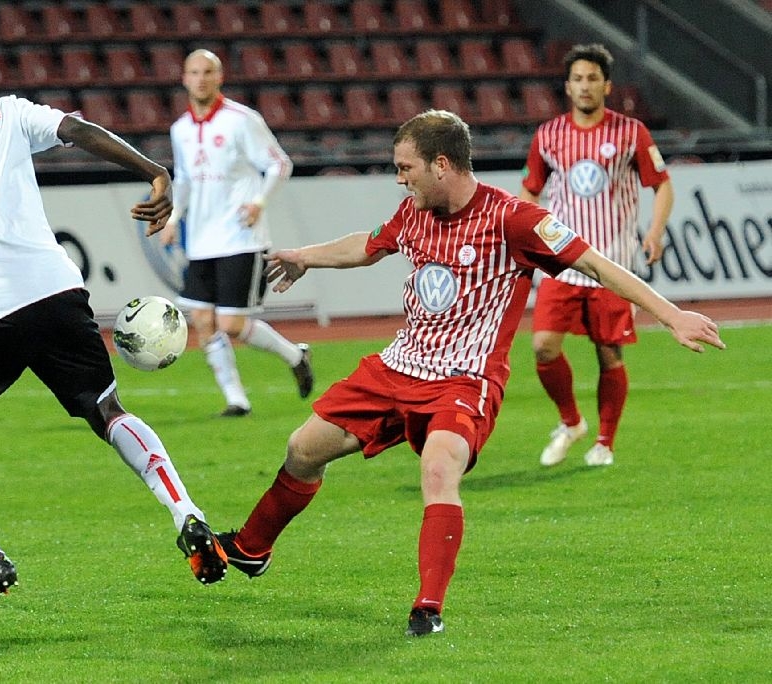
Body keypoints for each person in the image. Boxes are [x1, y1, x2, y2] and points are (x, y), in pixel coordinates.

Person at [215, 109, 724, 637]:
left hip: (466, 378)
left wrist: (671, 314)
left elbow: (595, 263)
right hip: (400, 366)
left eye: (405, 167)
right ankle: (251, 548)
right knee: (303, 448)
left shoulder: (514, 220)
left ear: (441, 164)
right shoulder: (414, 212)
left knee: (439, 468)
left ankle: (427, 608)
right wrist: (306, 257)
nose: (399, 179)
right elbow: (366, 246)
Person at [0, 44, 227, 624]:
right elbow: (78, 130)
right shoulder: (9, 110)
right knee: (108, 410)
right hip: (55, 290)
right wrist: (154, 171)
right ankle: (186, 512)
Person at [520, 43, 675, 468]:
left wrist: (656, 231)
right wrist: (529, 240)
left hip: (613, 267)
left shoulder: (631, 133)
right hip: (562, 264)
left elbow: (662, 183)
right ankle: (571, 422)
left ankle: (605, 442)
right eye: (577, 79)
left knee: (609, 354)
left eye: (592, 78)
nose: (584, 86)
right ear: (567, 87)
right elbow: (530, 191)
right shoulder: (548, 135)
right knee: (543, 347)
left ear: (607, 85)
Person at [159, 49, 312, 417]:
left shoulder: (242, 120)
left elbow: (279, 164)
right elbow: (184, 179)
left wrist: (259, 201)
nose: (201, 79)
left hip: (240, 237)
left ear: (219, 77)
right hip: (200, 240)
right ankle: (236, 399)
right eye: (194, 72)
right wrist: (174, 218)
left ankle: (294, 355)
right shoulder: (180, 129)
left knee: (230, 324)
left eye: (207, 72)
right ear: (184, 79)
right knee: (202, 320)